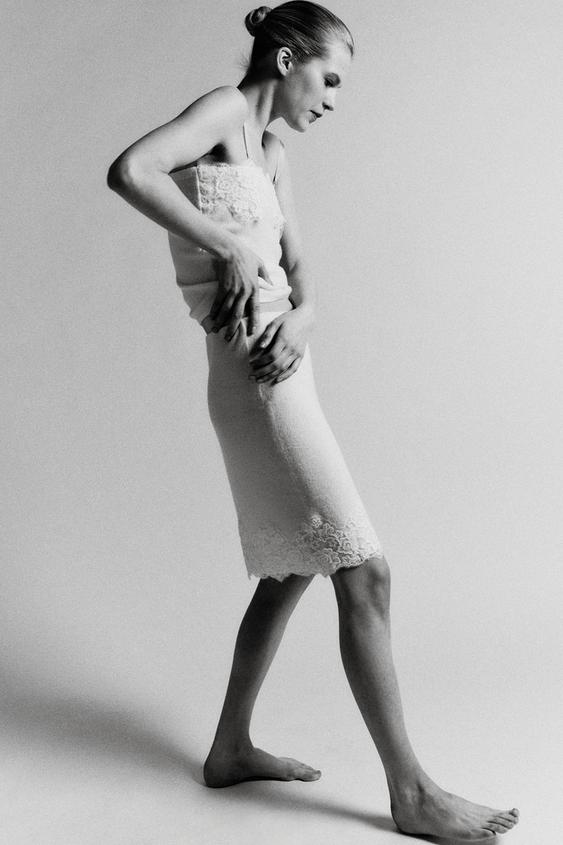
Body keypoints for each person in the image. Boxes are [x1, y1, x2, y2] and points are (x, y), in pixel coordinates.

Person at [107, 2, 520, 839]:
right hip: (253, 382)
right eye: (328, 79)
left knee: (291, 567)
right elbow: (131, 171)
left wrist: (304, 314)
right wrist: (228, 246)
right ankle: (412, 792)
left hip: (287, 368)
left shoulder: (274, 153)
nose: (332, 99)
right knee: (365, 572)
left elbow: (296, 267)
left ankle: (229, 748)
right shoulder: (222, 111)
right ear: (287, 58)